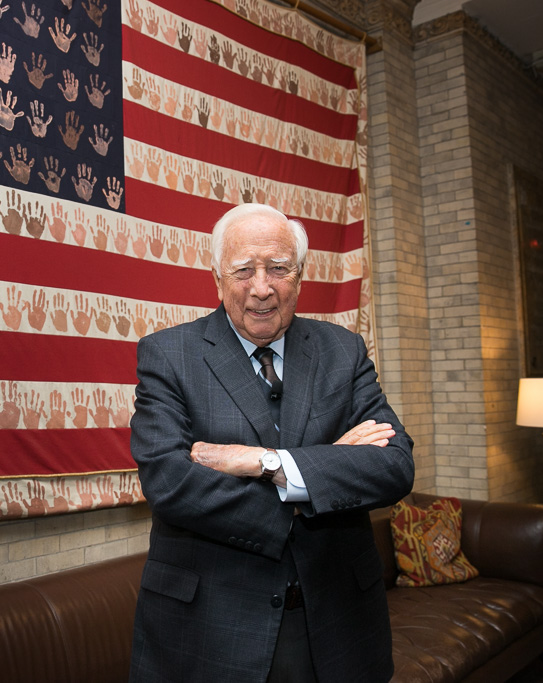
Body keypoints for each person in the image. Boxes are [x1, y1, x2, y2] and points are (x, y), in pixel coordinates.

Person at [128, 203, 415, 682]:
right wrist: (322, 479)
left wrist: (268, 464)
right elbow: (170, 482)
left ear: (299, 277)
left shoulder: (342, 350)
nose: (261, 288)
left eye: (278, 269)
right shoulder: (168, 354)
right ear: (217, 277)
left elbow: (394, 465)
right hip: (211, 629)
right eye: (243, 270)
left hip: (339, 621)